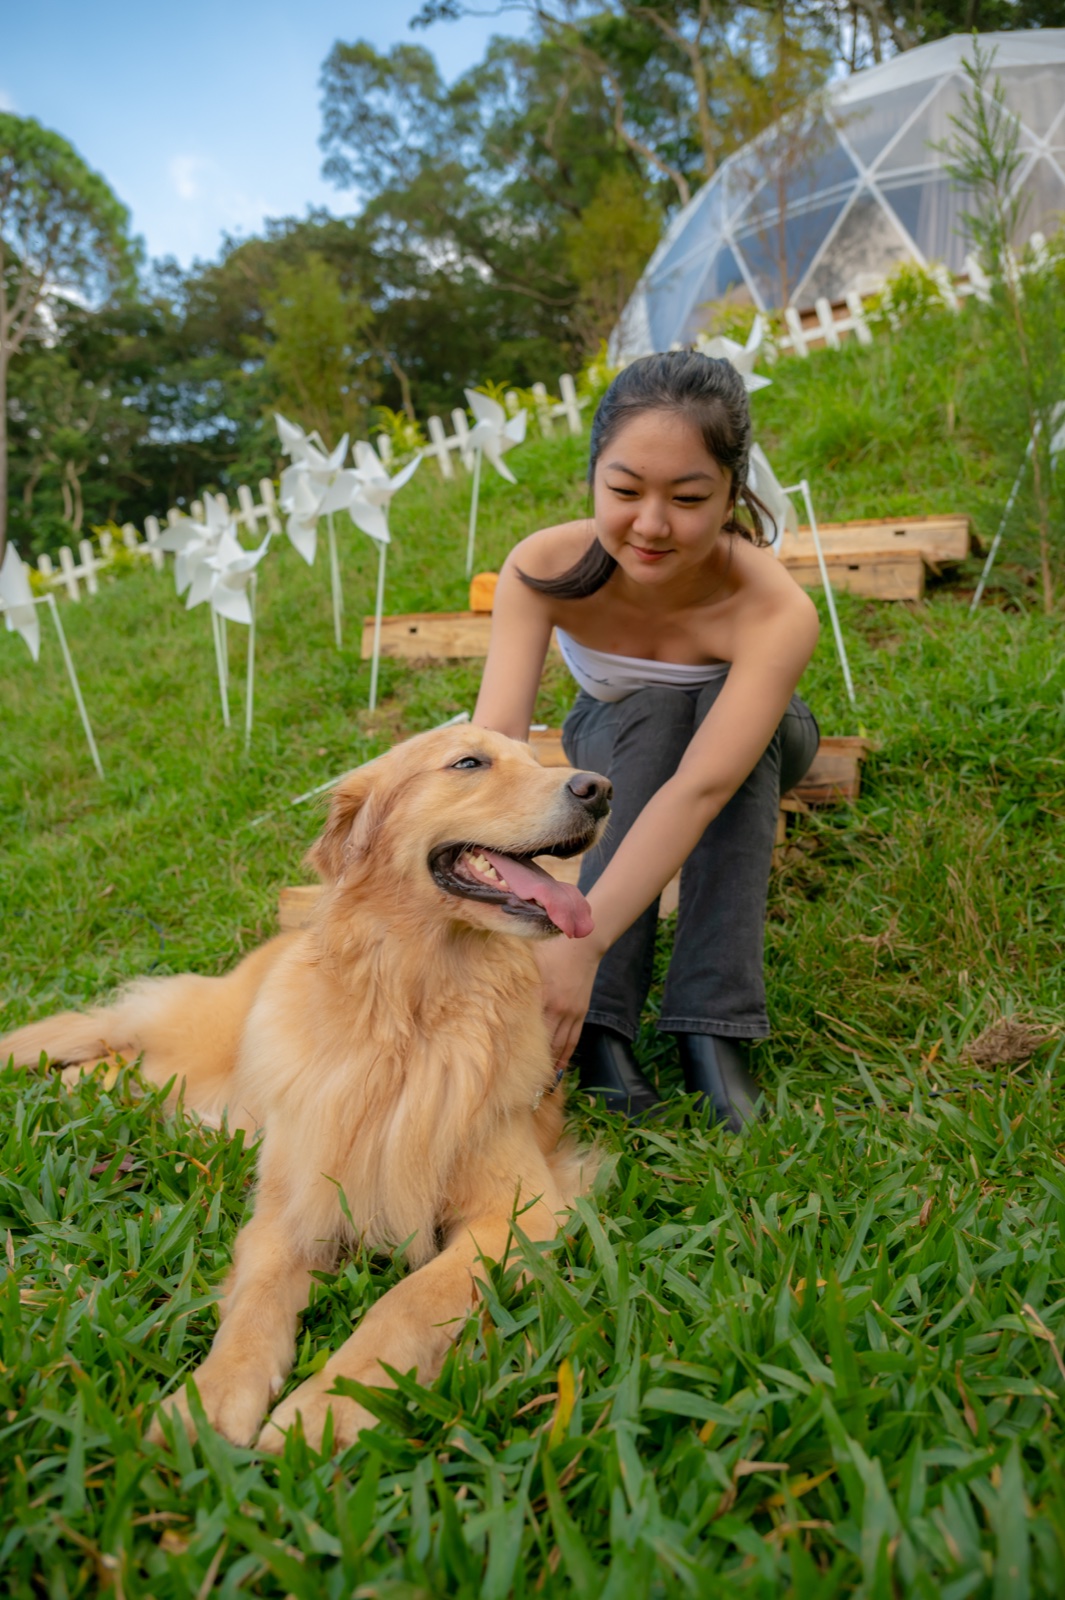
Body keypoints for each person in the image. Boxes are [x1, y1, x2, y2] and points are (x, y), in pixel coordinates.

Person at [472, 351, 821, 1128]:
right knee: (659, 711)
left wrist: (581, 942)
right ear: (593, 476)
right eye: (624, 491)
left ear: (733, 492)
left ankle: (709, 1022)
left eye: (689, 497)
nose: (651, 525)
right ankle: (600, 1024)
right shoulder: (542, 567)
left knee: (712, 735)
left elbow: (700, 787)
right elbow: (493, 741)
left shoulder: (774, 607)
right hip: (618, 730)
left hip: (757, 737)